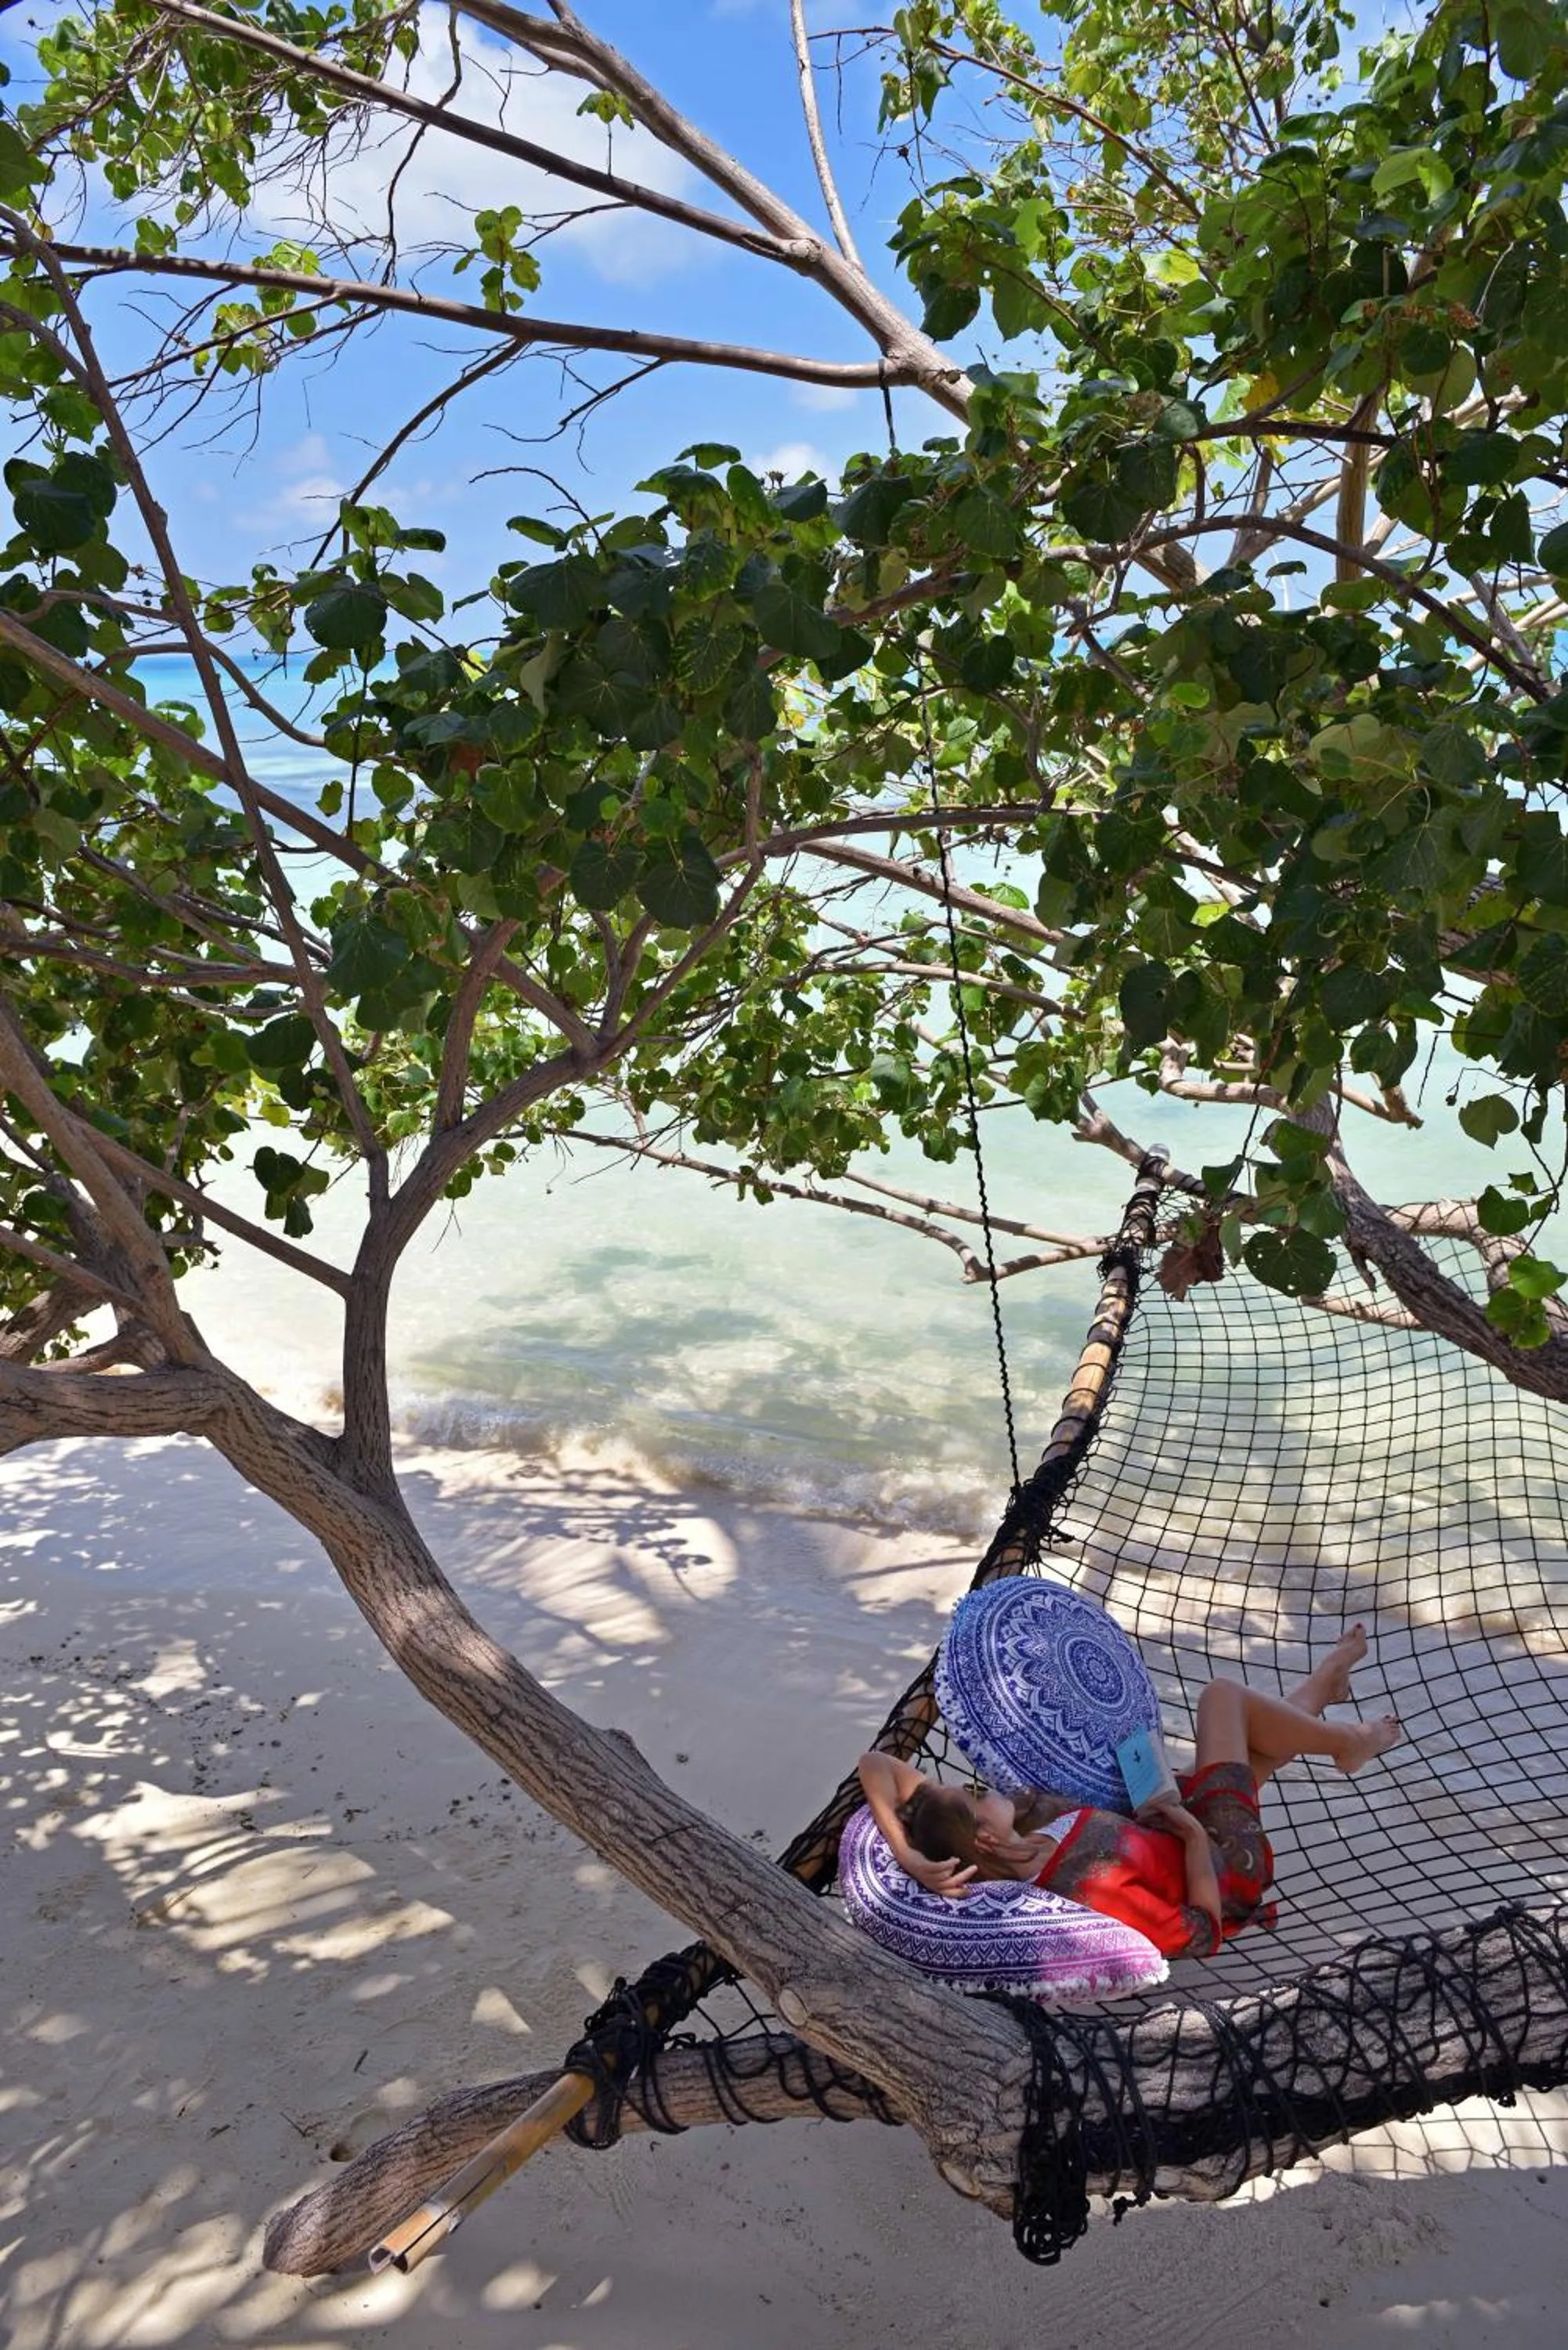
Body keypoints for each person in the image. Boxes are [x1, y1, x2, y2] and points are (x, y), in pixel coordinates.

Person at [856, 1626, 1400, 1961]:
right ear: (985, 1838)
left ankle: (1323, 1687)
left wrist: (904, 1852)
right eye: (976, 1794)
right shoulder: (1080, 1887)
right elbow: (1201, 1934)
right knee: (1222, 1698)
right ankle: (1349, 1743)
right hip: (1225, 1863)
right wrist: (1189, 1837)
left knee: (1249, 1748)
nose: (984, 1787)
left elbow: (877, 1764)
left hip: (1179, 1821)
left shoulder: (1019, 1827)